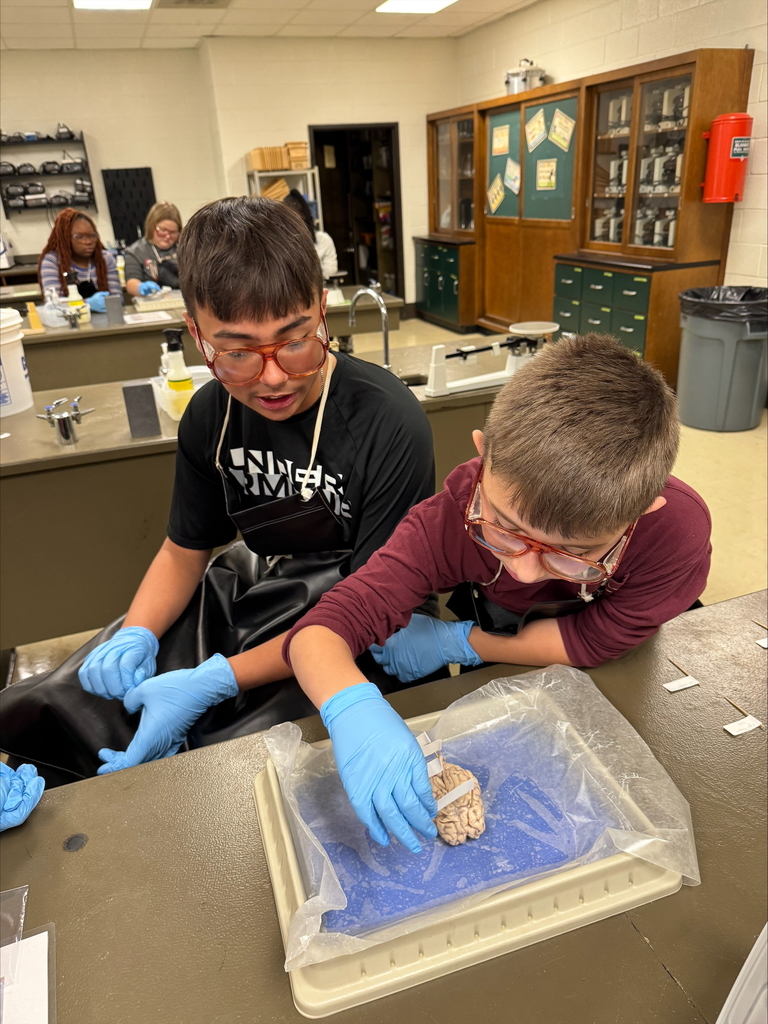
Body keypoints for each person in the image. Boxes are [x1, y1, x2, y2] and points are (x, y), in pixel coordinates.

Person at [0, 196, 435, 784]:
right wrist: (137, 632)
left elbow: (371, 606)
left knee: (226, 756)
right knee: (61, 702)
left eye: (296, 339)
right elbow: (185, 550)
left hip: (366, 613)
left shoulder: (387, 420)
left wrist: (212, 682)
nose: (274, 376)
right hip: (260, 583)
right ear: (197, 336)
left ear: (323, 311)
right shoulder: (210, 415)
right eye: (235, 353)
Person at [283, 334, 712, 854]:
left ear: (641, 513)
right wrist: (349, 706)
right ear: (483, 455)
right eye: (505, 529)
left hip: (621, 664)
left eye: (572, 553)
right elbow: (323, 630)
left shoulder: (677, 534)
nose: (529, 573)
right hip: (508, 630)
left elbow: (599, 639)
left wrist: (463, 643)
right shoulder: (447, 520)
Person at [38, 208, 122, 314]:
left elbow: (118, 298)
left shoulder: (105, 259)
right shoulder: (53, 261)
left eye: (92, 236)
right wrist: (86, 304)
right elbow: (53, 305)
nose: (88, 242)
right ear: (66, 238)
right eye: (79, 237)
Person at [124, 201, 183, 297]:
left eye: (173, 232)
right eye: (163, 230)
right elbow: (131, 283)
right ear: (151, 227)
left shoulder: (185, 248)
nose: (168, 236)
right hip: (153, 303)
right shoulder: (136, 251)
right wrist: (140, 287)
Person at [283, 189, 338, 280]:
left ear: (305, 218)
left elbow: (331, 269)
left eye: (298, 220)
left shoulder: (323, 240)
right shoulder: (280, 244)